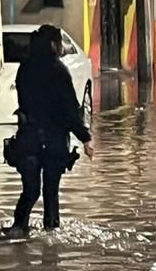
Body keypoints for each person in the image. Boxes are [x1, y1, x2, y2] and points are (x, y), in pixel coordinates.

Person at [8, 25, 93, 233]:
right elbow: (70, 111)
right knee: (50, 191)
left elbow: (23, 104)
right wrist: (85, 138)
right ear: (53, 44)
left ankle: (18, 227)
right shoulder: (58, 71)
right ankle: (51, 233)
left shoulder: (25, 68)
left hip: (28, 139)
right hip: (53, 140)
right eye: (60, 43)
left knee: (30, 190)